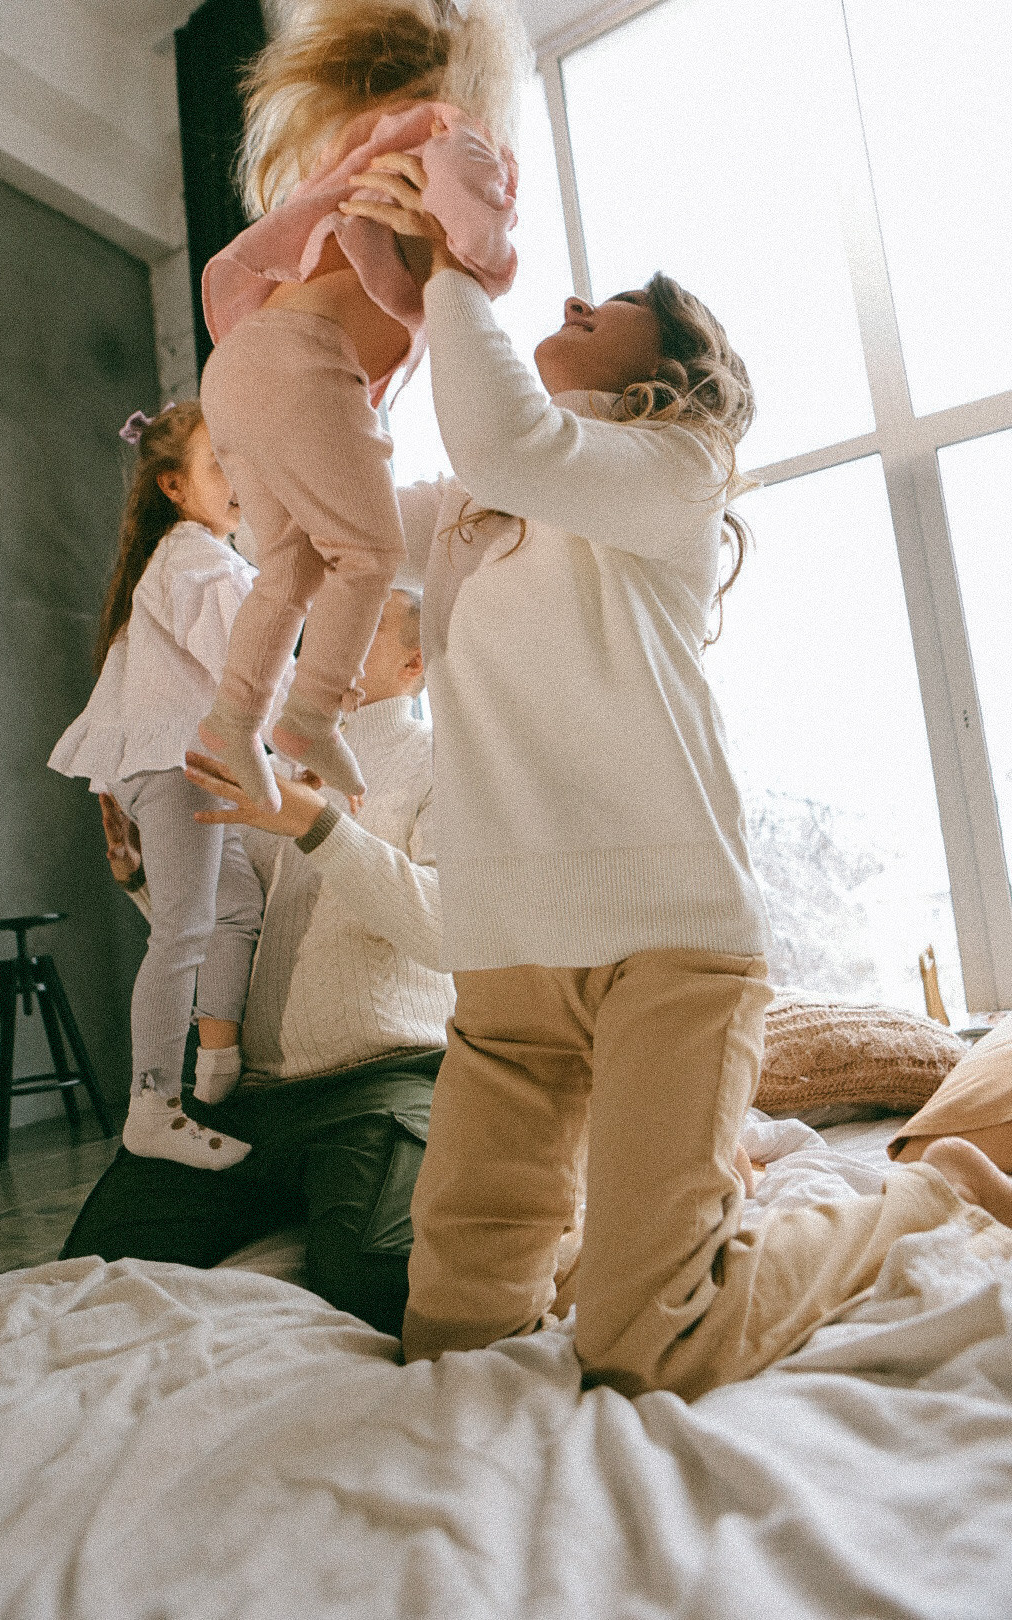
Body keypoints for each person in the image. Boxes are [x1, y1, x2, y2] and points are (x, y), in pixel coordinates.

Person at [339, 157, 1012, 1399]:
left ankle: (915, 1194)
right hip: (510, 952)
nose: (580, 299)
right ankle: (653, 1211)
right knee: (453, 1338)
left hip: (671, 942)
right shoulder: (476, 505)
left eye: (621, 300)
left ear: (675, 363)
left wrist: (451, 282)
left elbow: (509, 431)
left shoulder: (674, 465)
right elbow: (344, 495)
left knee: (653, 1338)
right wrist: (373, 325)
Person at [61, 590, 475, 1338]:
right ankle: (297, 1200)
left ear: (415, 662)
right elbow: (228, 926)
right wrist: (142, 880)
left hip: (380, 1084)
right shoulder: (265, 762)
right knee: (92, 1271)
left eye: (366, 620)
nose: (330, 626)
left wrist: (316, 826)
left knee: (382, 1283)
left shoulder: (445, 762)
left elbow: (452, 932)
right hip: (243, 1102)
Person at [196, 0, 531, 810]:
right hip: (300, 365)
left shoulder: (367, 142)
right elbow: (475, 244)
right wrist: (500, 225)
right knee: (370, 554)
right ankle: (312, 714)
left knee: (293, 566)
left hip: (241, 368)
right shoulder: (454, 134)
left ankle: (234, 718)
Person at [49, 403, 265, 1171]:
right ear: (175, 485)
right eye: (218, 465)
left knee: (234, 907)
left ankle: (215, 1076)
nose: (238, 478)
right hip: (176, 764)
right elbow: (248, 672)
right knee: (184, 926)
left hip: (178, 763)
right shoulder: (198, 559)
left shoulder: (187, 558)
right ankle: (154, 1104)